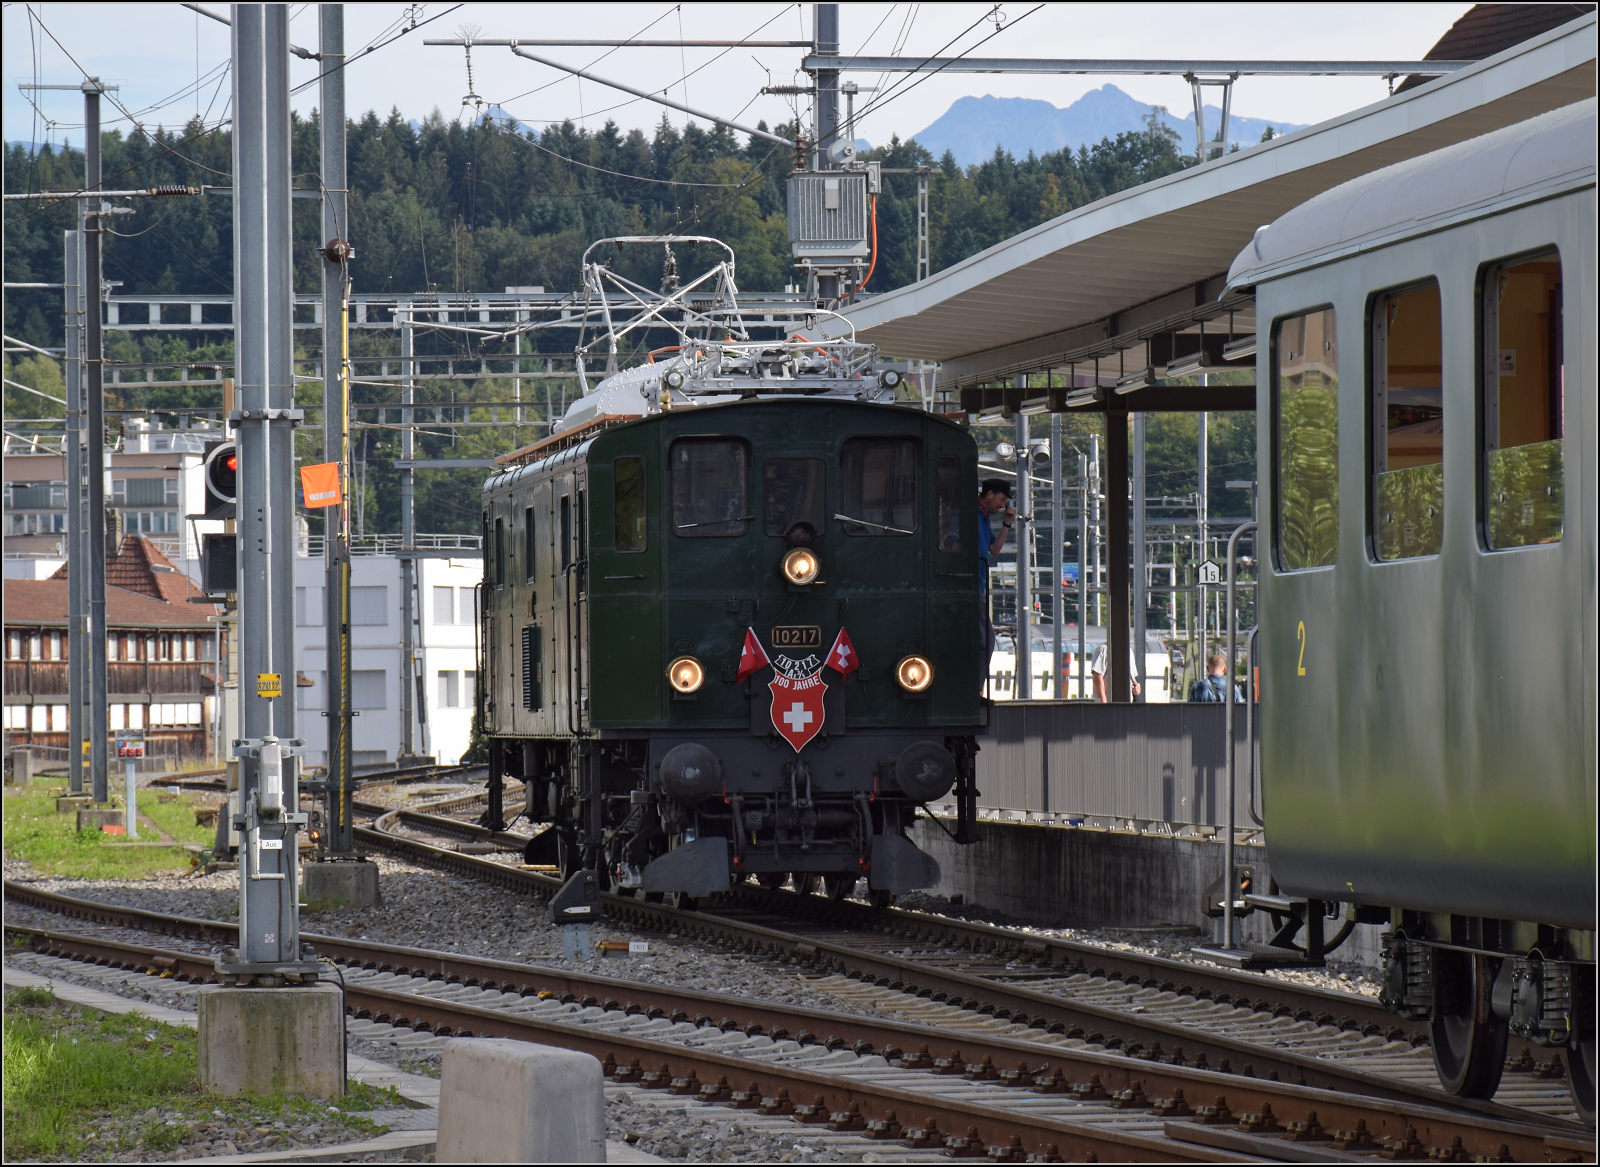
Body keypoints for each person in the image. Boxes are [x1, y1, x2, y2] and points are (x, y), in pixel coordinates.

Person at [976, 478, 1015, 672]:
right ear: (989, 494)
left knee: (984, 641)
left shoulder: (983, 518)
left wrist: (1006, 523)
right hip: (973, 587)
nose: (1002, 505)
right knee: (986, 641)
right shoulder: (970, 513)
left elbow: (995, 549)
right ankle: (974, 689)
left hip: (979, 587)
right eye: (1001, 500)